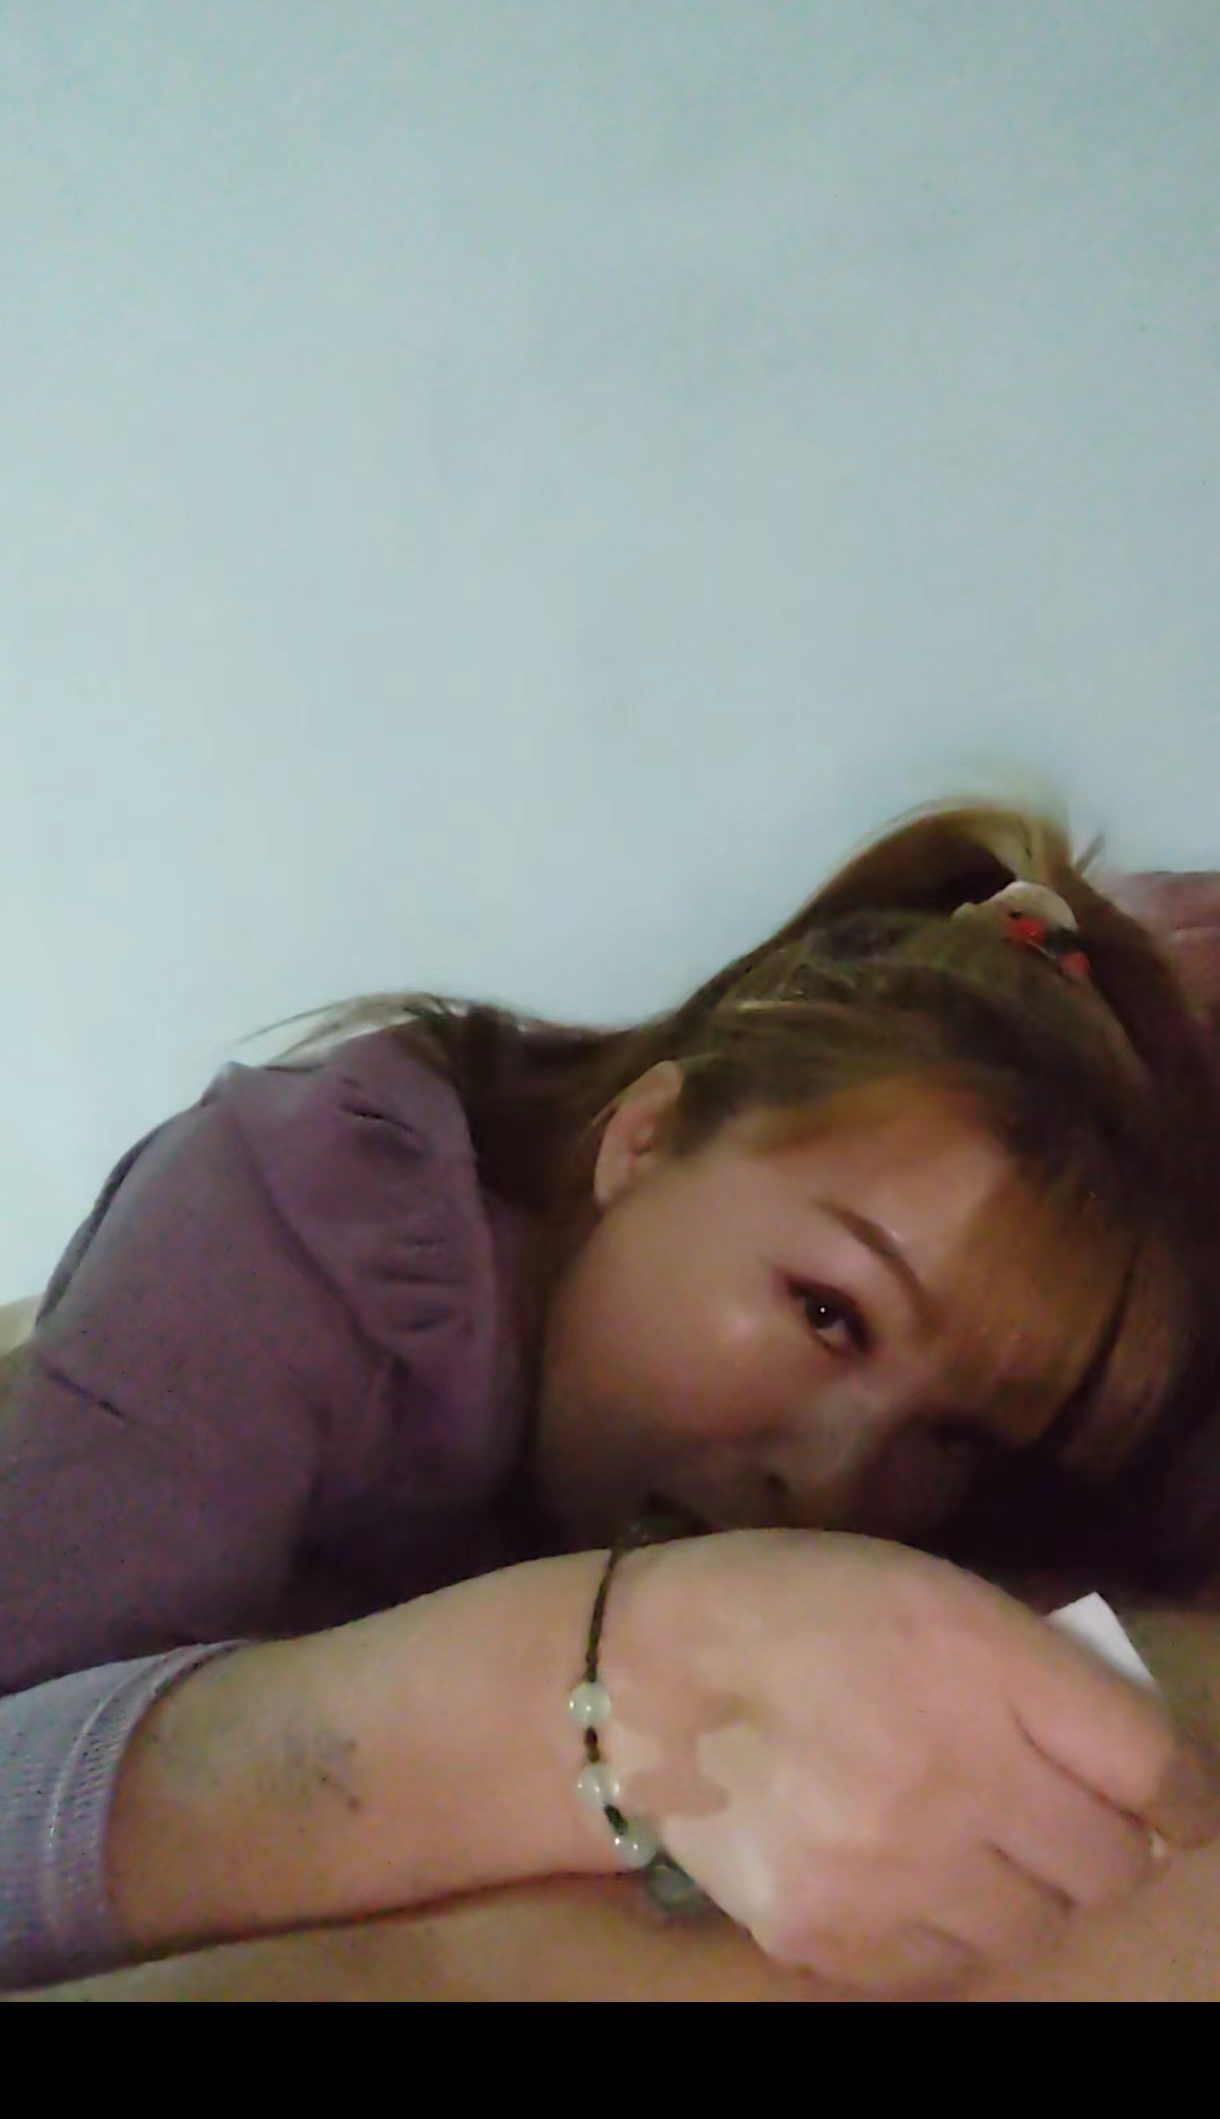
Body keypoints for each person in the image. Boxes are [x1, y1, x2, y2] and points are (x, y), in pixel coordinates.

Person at [4, 798, 1220, 2003]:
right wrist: (607, 1694)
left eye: (951, 1435)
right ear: (643, 1136)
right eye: (826, 1313)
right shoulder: (284, 1219)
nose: (834, 1475)